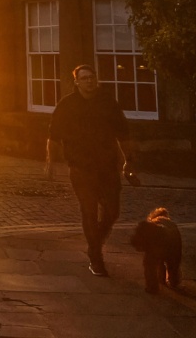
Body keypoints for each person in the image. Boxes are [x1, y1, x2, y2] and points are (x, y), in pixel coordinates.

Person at [45, 63, 135, 277]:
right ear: (76, 82)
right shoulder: (67, 105)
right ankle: (96, 257)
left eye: (92, 77)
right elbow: (53, 135)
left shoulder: (108, 103)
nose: (89, 81)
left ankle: (95, 245)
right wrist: (51, 164)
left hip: (107, 166)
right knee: (89, 211)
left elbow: (124, 134)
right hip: (80, 167)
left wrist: (129, 162)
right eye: (84, 78)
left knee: (113, 211)